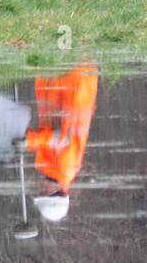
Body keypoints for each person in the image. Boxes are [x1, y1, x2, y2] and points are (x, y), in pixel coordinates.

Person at [26, 64, 99, 222]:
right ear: (56, 191)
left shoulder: (49, 167)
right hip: (74, 80)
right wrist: (28, 140)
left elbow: (46, 140)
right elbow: (62, 139)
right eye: (44, 193)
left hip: (61, 84)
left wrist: (23, 142)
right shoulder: (66, 169)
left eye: (40, 193)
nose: (40, 189)